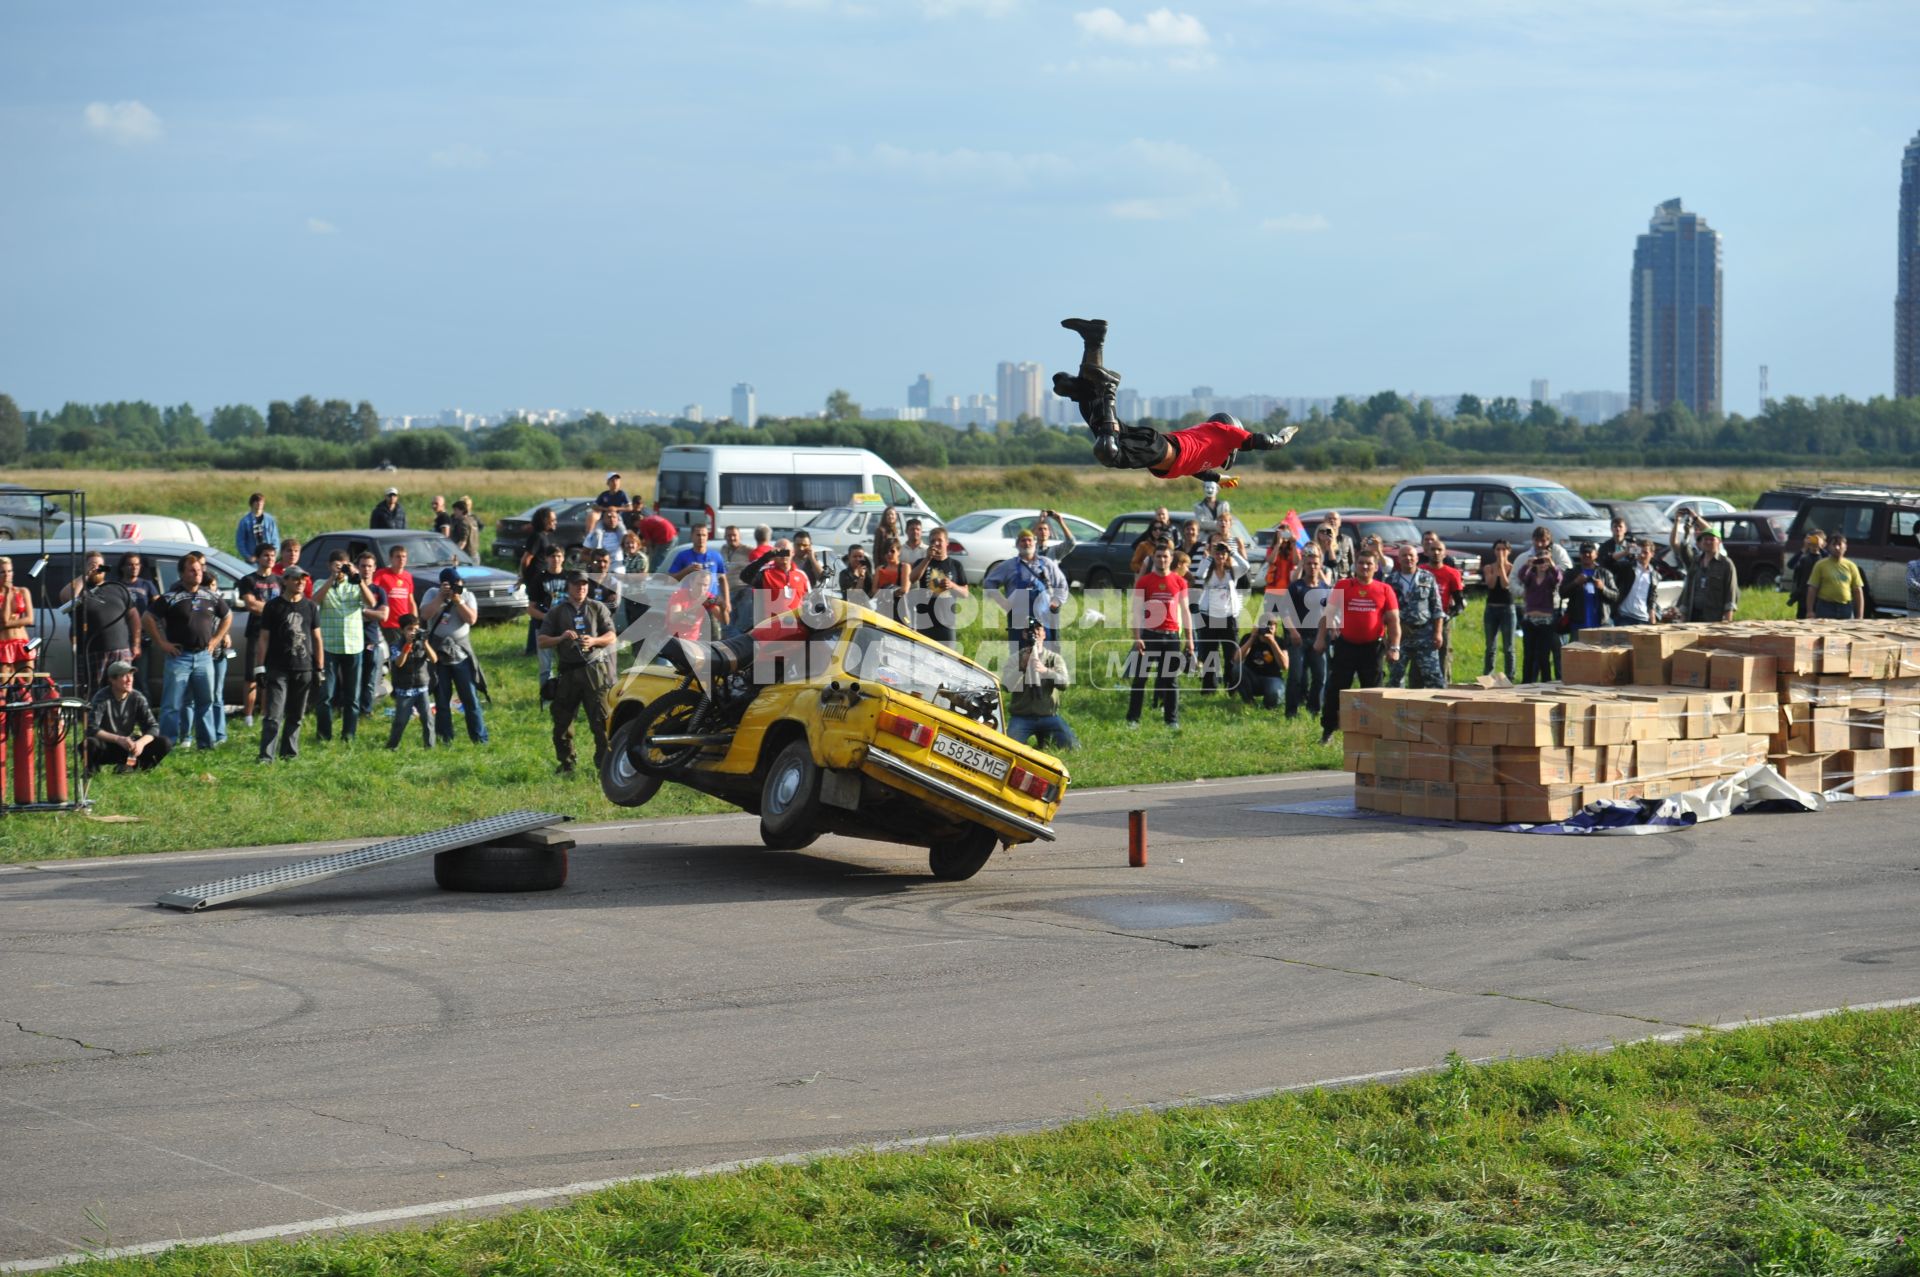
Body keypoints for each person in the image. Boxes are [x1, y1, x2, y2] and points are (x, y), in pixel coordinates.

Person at [1053, 318, 1296, 481]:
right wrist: (1283, 437)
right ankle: (1109, 390)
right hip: (1159, 449)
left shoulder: (1209, 451)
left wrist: (1218, 478)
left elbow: (1195, 469)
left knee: (1092, 409)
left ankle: (1094, 340)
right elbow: (1261, 441)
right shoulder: (1225, 433)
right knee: (1109, 454)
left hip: (1156, 446)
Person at [146, 553, 231, 749]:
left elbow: (227, 616)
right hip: (179, 657)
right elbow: (148, 618)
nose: (197, 574)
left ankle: (206, 743)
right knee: (172, 705)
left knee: (206, 702)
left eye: (200, 570)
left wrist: (216, 640)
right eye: (192, 570)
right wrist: (162, 643)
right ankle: (166, 744)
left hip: (204, 657)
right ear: (182, 573)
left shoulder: (210, 596)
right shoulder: (171, 596)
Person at [1315, 549, 1400, 743]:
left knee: (1373, 692)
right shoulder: (1344, 585)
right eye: (1361, 562)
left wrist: (1394, 648)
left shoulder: (1384, 589)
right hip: (1347, 646)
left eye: (1369, 563)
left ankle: (1374, 733)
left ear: (1376, 567)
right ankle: (1328, 730)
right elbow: (1328, 614)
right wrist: (1320, 639)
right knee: (1336, 689)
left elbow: (1394, 621)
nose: (1364, 566)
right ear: (1355, 565)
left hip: (1373, 648)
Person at [538, 571, 617, 775]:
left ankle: (604, 766)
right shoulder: (556, 612)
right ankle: (567, 764)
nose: (581, 588)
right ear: (568, 587)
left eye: (584, 584)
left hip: (595, 671)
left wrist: (594, 641)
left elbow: (611, 636)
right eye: (576, 584)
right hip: (568, 673)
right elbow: (542, 641)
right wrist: (562, 638)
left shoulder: (597, 607)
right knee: (562, 721)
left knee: (601, 721)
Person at [251, 563, 322, 763]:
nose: (300, 582)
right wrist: (260, 667)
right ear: (286, 581)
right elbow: (264, 637)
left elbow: (317, 639)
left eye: (303, 579)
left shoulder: (310, 607)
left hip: (304, 667)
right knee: (273, 715)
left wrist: (319, 668)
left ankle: (289, 754)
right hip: (277, 668)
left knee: (296, 716)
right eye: (296, 578)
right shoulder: (273, 607)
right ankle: (266, 756)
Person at [419, 567, 488, 745]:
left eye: (457, 583)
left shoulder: (467, 596)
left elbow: (472, 619)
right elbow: (424, 615)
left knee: (470, 698)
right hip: (438, 654)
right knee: (441, 699)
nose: (454, 587)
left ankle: (479, 738)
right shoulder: (432, 593)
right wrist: (440, 598)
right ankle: (445, 738)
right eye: (450, 584)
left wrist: (458, 601)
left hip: (461, 654)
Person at [1127, 543, 1192, 730]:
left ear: (1171, 559)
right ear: (1153, 559)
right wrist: (1137, 637)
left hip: (1171, 637)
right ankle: (1133, 718)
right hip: (1149, 635)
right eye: (1158, 556)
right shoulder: (1144, 582)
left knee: (1171, 681)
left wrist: (1190, 640)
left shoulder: (1180, 582)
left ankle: (1171, 720)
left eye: (1165, 557)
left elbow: (1185, 611)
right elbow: (1137, 611)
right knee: (1140, 679)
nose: (1162, 560)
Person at [313, 549, 372, 743]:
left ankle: (349, 736)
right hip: (330, 646)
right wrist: (332, 578)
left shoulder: (355, 584)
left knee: (352, 697)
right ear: (329, 565)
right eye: (336, 564)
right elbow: (314, 602)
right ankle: (324, 735)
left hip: (354, 646)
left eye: (343, 564)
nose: (340, 568)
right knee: (325, 696)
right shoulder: (322, 583)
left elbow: (371, 602)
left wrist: (357, 576)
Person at [63, 551, 141, 693]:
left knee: (122, 691)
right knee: (94, 693)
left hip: (120, 650)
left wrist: (135, 644)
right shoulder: (80, 590)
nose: (97, 568)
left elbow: (134, 616)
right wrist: (86, 575)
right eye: (93, 565)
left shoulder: (117, 588)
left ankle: (120, 716)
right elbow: (67, 597)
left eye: (100, 565)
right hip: (91, 652)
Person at [984, 530, 1067, 652]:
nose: (1027, 543)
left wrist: (1056, 601)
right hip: (1018, 618)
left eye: (1029, 540)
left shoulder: (1047, 564)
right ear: (1017, 545)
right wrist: (1003, 602)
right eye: (1023, 540)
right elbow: (988, 582)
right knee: (1019, 655)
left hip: (1044, 617)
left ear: (1035, 543)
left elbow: (1062, 584)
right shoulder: (1008, 565)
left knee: (1046, 653)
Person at [85, 660, 169, 776]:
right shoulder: (102, 697)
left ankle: (133, 766)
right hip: (107, 745)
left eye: (131, 675)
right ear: (112, 680)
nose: (129, 680)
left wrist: (141, 743)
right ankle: (92, 770)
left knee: (164, 743)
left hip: (128, 746)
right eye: (124, 676)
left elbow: (153, 727)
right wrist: (118, 739)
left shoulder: (137, 697)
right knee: (90, 743)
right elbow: (91, 728)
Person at [1005, 617, 1077, 750]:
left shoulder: (1054, 658)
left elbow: (1065, 683)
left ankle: (1043, 741)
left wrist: (1046, 671)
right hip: (1022, 717)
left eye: (1038, 629)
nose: (1035, 633)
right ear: (1024, 634)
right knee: (1008, 749)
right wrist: (1021, 668)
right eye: (1030, 630)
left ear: (1044, 634)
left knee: (1072, 747)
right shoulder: (1016, 658)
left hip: (1048, 716)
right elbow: (1006, 686)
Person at [1382, 545, 1445, 689]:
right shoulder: (1390, 581)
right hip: (1400, 636)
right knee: (1395, 677)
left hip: (1424, 634)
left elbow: (1437, 607)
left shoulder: (1427, 577)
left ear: (1417, 558)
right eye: (1404, 555)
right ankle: (1396, 709)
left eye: (1411, 555)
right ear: (1398, 559)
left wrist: (1438, 632)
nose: (1408, 558)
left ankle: (1438, 709)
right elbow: (1384, 611)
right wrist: (1386, 636)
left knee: (1433, 677)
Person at [236, 542, 282, 726]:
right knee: (251, 676)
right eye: (265, 555)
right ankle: (248, 716)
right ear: (258, 558)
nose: (269, 558)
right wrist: (275, 609)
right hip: (256, 632)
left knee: (270, 676)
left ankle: (265, 713)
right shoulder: (249, 580)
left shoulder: (280, 580)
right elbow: (251, 605)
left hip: (276, 634)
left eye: (272, 555)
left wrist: (270, 609)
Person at [1284, 544, 1332, 719]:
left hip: (1319, 638)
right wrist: (1293, 632)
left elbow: (1330, 614)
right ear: (1303, 565)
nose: (1312, 567)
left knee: (1320, 677)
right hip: (1298, 639)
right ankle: (1291, 712)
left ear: (1320, 566)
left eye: (1315, 564)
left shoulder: (1326, 589)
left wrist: (1327, 635)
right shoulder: (1295, 587)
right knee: (1296, 677)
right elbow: (1285, 612)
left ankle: (1314, 710)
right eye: (1309, 563)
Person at [1194, 539, 1246, 694]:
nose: (1220, 555)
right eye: (1217, 552)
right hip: (1209, 616)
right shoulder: (1208, 569)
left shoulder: (1232, 571)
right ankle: (1209, 688)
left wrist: (1233, 552)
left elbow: (1246, 566)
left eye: (1223, 553)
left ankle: (1232, 688)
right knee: (1210, 653)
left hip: (1228, 617)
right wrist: (1209, 556)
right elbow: (1199, 574)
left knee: (1231, 654)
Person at [906, 526, 968, 647]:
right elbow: (912, 578)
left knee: (948, 660)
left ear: (947, 543)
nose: (936, 543)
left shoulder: (955, 565)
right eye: (933, 541)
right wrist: (927, 559)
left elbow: (965, 593)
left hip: (946, 622)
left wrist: (952, 585)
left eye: (940, 540)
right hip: (924, 621)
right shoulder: (922, 562)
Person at [525, 543, 571, 701]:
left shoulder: (570, 578)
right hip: (543, 628)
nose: (556, 559)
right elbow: (530, 609)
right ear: (546, 558)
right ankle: (546, 698)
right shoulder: (539, 579)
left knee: (566, 665)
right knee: (546, 666)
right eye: (552, 556)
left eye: (559, 556)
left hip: (566, 628)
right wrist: (547, 618)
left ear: (563, 558)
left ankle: (565, 696)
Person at [736, 538, 811, 636]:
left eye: (786, 551)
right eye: (779, 552)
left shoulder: (801, 575)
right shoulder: (766, 573)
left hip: (796, 631)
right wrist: (765, 558)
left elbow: (809, 601)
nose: (783, 555)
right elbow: (745, 576)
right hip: (771, 632)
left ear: (793, 553)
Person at [668, 523, 729, 639]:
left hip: (710, 601)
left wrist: (727, 601)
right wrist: (687, 570)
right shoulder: (683, 556)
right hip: (688, 601)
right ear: (692, 536)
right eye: (698, 535)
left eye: (704, 535)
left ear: (707, 537)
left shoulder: (716, 556)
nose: (701, 538)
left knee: (715, 637)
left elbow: (723, 579)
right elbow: (671, 580)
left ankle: (711, 655)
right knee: (688, 635)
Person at [385, 614, 436, 749]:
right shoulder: (396, 645)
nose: (413, 632)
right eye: (409, 629)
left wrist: (425, 643)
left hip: (422, 688)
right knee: (401, 721)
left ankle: (430, 747)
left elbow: (434, 659)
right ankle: (392, 746)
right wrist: (407, 646)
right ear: (402, 630)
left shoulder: (422, 643)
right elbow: (399, 663)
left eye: (416, 629)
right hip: (404, 690)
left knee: (428, 720)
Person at [1517, 540, 1563, 682]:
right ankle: (1526, 683)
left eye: (1545, 561)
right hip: (1530, 620)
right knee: (1529, 655)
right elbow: (1521, 576)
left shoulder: (1550, 578)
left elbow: (1558, 578)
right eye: (1540, 561)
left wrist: (1551, 562)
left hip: (1546, 621)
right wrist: (1528, 564)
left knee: (1544, 655)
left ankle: (1546, 682)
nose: (1543, 564)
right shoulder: (1530, 577)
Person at [351, 550, 389, 718]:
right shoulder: (350, 588)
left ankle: (366, 711)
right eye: (363, 566)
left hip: (371, 640)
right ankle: (350, 710)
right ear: (357, 568)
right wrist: (370, 612)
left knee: (369, 679)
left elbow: (383, 615)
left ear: (374, 569)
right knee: (353, 678)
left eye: (369, 566)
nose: (366, 569)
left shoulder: (379, 591)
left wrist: (362, 611)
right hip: (351, 640)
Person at [1422, 542, 1466, 684]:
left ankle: (1442, 685)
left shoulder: (1452, 573)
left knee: (1443, 656)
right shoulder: (1420, 571)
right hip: (1421, 623)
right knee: (1419, 659)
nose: (1436, 552)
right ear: (1426, 552)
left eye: (1439, 550)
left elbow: (1460, 604)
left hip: (1442, 622)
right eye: (1432, 549)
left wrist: (1447, 617)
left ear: (1445, 553)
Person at [1676, 528, 1739, 623]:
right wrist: (1683, 614)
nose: (1708, 542)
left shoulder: (1726, 564)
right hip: (1693, 616)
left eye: (1712, 539)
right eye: (1705, 539)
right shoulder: (1696, 562)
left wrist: (1727, 619)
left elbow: (1731, 593)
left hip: (1713, 617)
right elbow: (1688, 589)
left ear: (1719, 541)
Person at [1559, 542, 1619, 637]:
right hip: (1578, 625)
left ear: (1596, 554)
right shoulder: (1572, 572)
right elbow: (1562, 593)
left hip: (1601, 624)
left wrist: (1603, 588)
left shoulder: (1605, 573)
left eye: (1589, 552)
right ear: (1579, 554)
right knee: (1578, 651)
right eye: (1583, 552)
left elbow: (1615, 596)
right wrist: (1575, 583)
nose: (1586, 555)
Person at [1804, 534, 1867, 621]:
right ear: (1829, 547)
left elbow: (1858, 591)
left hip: (1845, 608)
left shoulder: (1851, 566)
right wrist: (1810, 611)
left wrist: (1860, 616)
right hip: (1825, 608)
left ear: (1845, 547)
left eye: (1840, 545)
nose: (1837, 548)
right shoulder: (1820, 565)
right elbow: (1812, 588)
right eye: (1834, 545)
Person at [1480, 539, 1518, 678]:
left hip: (1507, 609)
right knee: (1490, 646)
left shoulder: (1513, 568)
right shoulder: (1488, 567)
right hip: (1491, 609)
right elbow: (1490, 585)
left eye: (1503, 549)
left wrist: (1502, 566)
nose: (1500, 552)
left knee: (1508, 646)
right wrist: (1496, 568)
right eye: (1498, 549)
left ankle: (1510, 675)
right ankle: (1488, 675)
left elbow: (1505, 585)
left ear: (1509, 551)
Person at [1236, 616, 1288, 710]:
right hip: (1252, 678)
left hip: (1272, 678)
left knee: (1273, 698)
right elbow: (1236, 659)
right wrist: (1252, 639)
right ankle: (1249, 702)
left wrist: (1272, 643)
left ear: (1275, 628)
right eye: (1264, 626)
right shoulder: (1249, 637)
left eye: (1270, 627)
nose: (1266, 630)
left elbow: (1285, 666)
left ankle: (1269, 706)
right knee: (1237, 669)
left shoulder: (1280, 641)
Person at [372, 544, 416, 647]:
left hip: (405, 624)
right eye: (398, 556)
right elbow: (372, 593)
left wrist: (415, 621)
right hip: (389, 623)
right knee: (395, 652)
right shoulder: (382, 574)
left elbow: (411, 600)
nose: (401, 559)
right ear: (391, 559)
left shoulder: (407, 576)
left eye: (404, 556)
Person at [0, 556, 34, 682]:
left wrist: (9, 623)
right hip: (3, 645)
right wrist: (8, 594)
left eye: (9, 571)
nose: (7, 575)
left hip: (22, 642)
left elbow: (30, 619)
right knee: (4, 684)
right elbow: (3, 618)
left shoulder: (23, 591)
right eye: (2, 572)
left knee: (27, 682)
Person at [1788, 531, 1826, 620]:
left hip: (1820, 599)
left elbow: (1830, 559)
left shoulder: (1825, 559)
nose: (1813, 542)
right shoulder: (1803, 558)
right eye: (1811, 539)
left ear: (1823, 543)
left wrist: (1820, 548)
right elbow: (1790, 565)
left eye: (1816, 540)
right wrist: (1804, 549)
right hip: (1803, 598)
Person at [235, 492, 281, 560]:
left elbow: (275, 539)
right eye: (256, 501)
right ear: (251, 503)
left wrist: (273, 555)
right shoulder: (245, 522)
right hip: (253, 559)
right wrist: (248, 556)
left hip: (268, 558)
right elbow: (240, 541)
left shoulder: (270, 520)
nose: (259, 503)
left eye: (261, 501)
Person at [1598, 516, 1637, 588]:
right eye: (1615, 526)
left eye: (1620, 526)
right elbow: (1604, 562)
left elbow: (1637, 562)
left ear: (1625, 529)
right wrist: (1625, 552)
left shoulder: (1632, 546)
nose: (1618, 529)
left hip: (1627, 579)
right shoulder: (1605, 546)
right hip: (1610, 579)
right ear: (1611, 529)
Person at [585, 509, 627, 575]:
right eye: (609, 517)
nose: (612, 519)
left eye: (614, 517)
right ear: (603, 519)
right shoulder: (594, 535)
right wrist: (597, 561)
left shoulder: (624, 536)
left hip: (618, 571)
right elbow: (583, 554)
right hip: (600, 569)